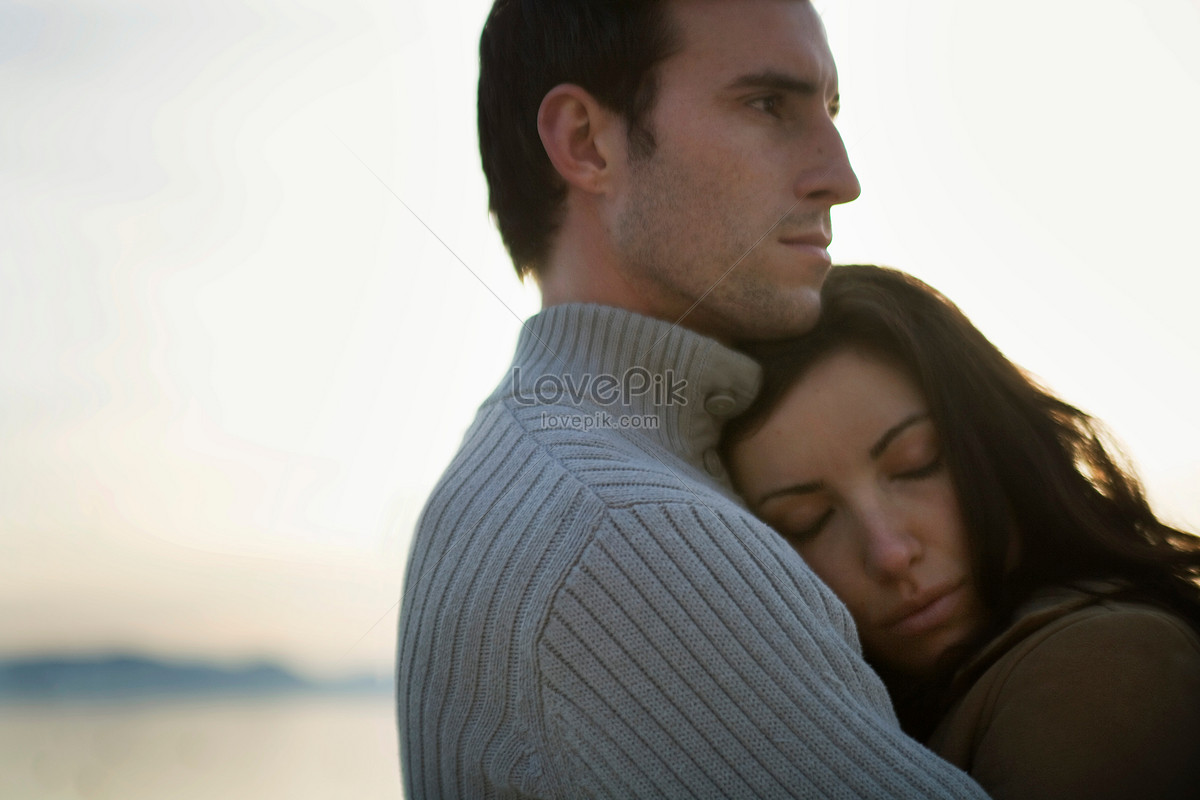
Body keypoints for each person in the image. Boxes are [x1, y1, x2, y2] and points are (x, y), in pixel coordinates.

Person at [397, 1, 987, 797]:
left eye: (830, 109)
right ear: (586, 143)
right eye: (767, 105)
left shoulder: (534, 472)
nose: (840, 178)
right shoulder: (627, 534)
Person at [724, 264, 1200, 800]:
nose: (890, 553)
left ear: (995, 442)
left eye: (916, 465)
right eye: (808, 522)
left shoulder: (1107, 664)